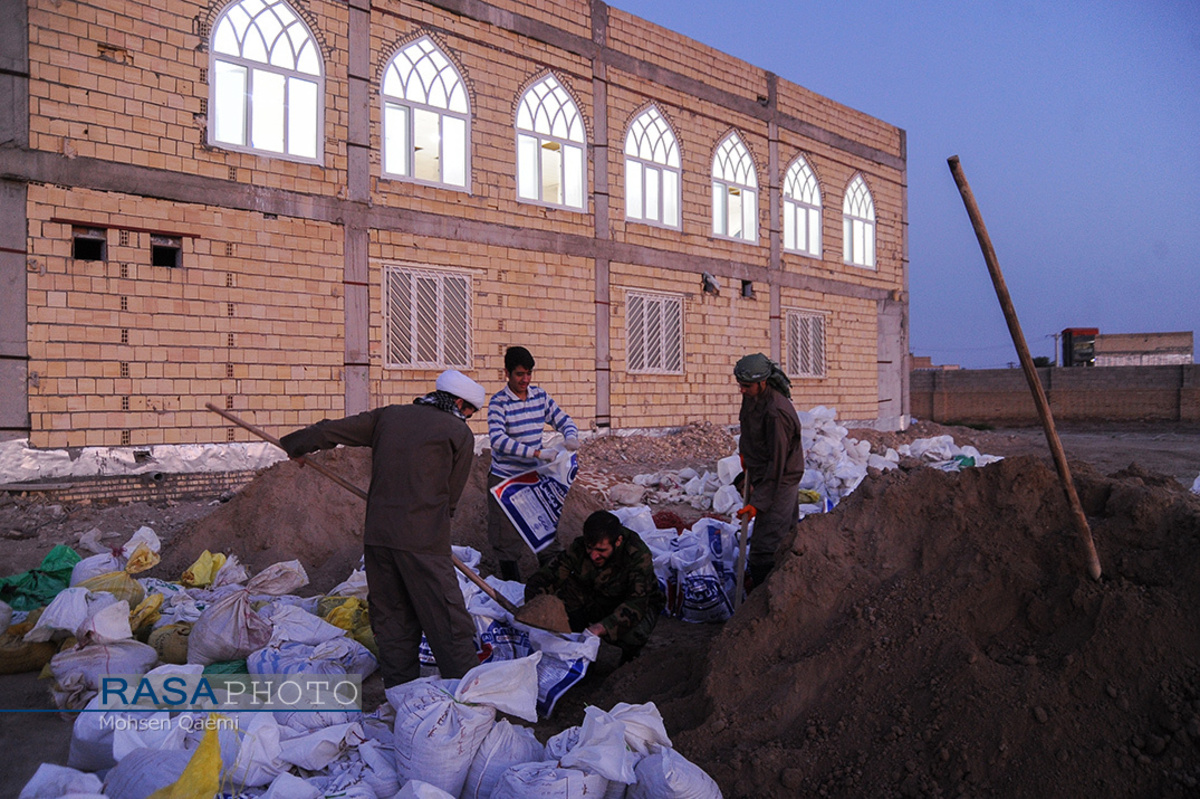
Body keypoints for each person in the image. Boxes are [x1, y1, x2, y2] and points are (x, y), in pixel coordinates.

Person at [278, 370, 487, 688]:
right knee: (447, 619)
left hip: (378, 539)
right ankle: (468, 696)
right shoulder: (458, 434)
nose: (468, 418)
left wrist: (296, 445)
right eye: (469, 411)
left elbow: (332, 430)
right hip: (425, 542)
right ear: (459, 402)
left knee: (393, 619)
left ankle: (402, 692)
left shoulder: (389, 416)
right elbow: (451, 498)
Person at [487, 345, 579, 581]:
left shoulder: (540, 396)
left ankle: (553, 586)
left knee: (545, 531)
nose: (525, 379)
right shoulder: (499, 403)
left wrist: (570, 437)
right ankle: (513, 592)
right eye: (519, 374)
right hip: (504, 480)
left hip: (532, 478)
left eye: (528, 374)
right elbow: (498, 440)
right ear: (507, 373)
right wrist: (537, 453)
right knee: (506, 539)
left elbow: (562, 419)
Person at [524, 510, 664, 663]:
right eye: (589, 548)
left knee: (633, 635)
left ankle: (629, 661)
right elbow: (546, 577)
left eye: (601, 550)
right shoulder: (579, 547)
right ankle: (580, 659)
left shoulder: (637, 555)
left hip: (633, 604)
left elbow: (637, 603)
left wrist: (601, 628)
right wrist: (535, 606)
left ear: (618, 542)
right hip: (598, 595)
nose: (593, 556)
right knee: (566, 596)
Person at [734, 352, 805, 589]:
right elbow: (748, 426)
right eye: (740, 385)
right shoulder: (753, 397)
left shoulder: (776, 413)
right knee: (786, 533)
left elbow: (778, 465)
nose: (741, 391)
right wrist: (745, 457)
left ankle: (764, 598)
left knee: (765, 547)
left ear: (762, 382)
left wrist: (758, 503)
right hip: (763, 471)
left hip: (781, 478)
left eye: (746, 386)